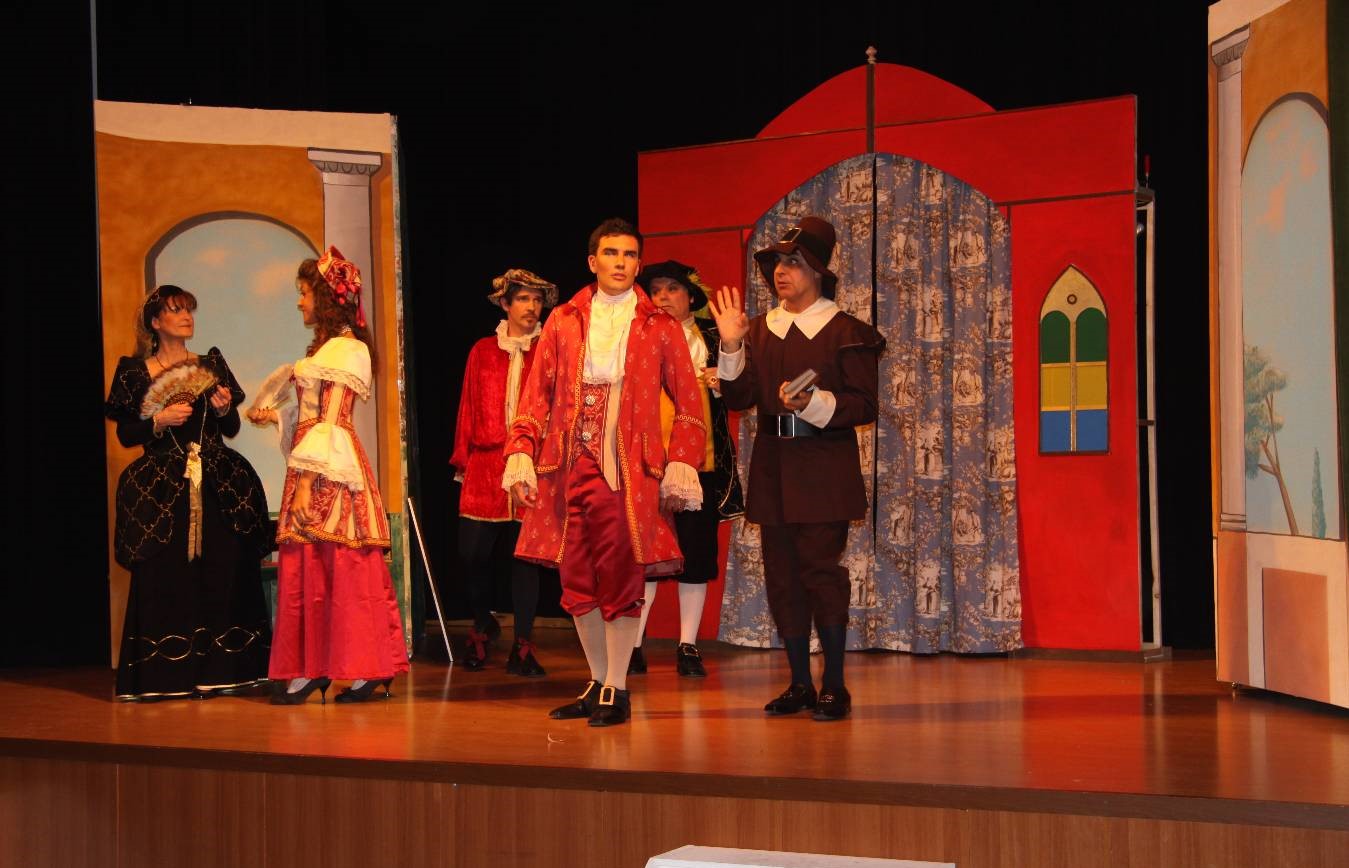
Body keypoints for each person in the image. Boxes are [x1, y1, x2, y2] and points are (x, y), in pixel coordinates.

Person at [503, 218, 706, 726]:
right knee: (575, 578)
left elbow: (689, 402)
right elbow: (536, 395)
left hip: (627, 472)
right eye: (612, 253)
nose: (621, 262)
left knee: (620, 575)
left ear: (638, 263)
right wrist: (521, 450)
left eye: (630, 255)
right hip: (567, 466)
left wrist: (681, 460)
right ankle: (597, 682)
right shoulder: (563, 320)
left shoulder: (659, 326)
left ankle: (618, 686)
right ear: (593, 261)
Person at [709, 216, 885, 721]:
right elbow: (739, 398)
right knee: (783, 578)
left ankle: (835, 685)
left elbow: (864, 405)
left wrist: (814, 403)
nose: (780, 272)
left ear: (817, 270)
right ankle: (800, 684)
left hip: (824, 466)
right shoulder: (760, 330)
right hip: (773, 467)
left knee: (820, 574)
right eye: (776, 264)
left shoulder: (847, 332)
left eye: (793, 262)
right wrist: (731, 345)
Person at [248, 247, 409, 704]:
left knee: (338, 566)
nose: (300, 301)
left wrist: (304, 485)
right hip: (315, 463)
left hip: (329, 473)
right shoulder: (326, 350)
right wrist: (275, 416)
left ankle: (355, 668)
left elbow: (333, 420)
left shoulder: (347, 349)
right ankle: (318, 667)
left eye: (304, 293)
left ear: (325, 298)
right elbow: (311, 416)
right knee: (316, 567)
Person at [104, 284, 272, 701]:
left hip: (216, 482)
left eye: (189, 310)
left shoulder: (209, 365)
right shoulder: (135, 371)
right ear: (155, 321)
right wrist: (157, 421)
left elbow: (230, 428)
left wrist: (224, 410)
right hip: (163, 488)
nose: (186, 317)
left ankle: (227, 670)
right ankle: (167, 676)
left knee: (223, 569)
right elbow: (127, 434)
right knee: (167, 574)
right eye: (176, 310)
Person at [629, 260, 744, 677]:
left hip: (700, 464)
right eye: (656, 290)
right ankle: (633, 644)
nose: (662, 296)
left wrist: (724, 367)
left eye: (672, 289)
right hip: (647, 464)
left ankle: (688, 644)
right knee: (646, 557)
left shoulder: (713, 337)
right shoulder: (637, 336)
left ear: (690, 296)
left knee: (695, 555)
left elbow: (739, 389)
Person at [450, 268, 558, 676]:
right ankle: (483, 623)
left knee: (525, 557)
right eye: (524, 299)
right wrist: (463, 458)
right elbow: (468, 405)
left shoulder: (549, 349)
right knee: (472, 553)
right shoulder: (482, 350)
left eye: (537, 300)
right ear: (506, 304)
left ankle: (523, 644)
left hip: (532, 464)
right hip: (485, 463)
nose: (532, 307)